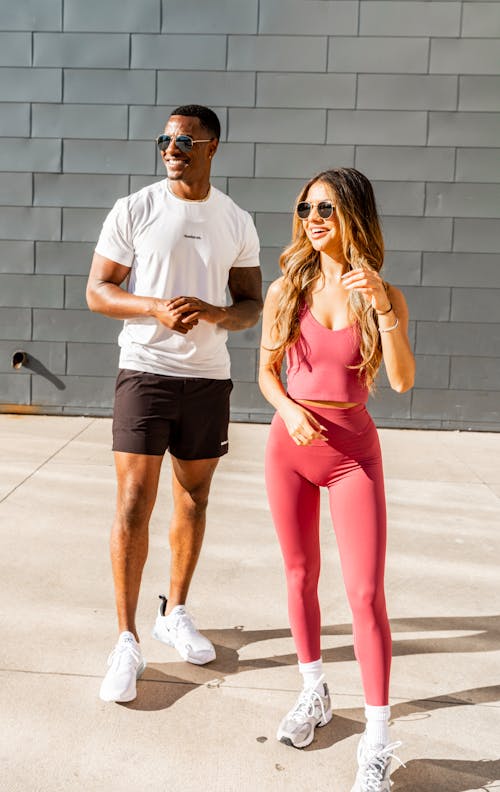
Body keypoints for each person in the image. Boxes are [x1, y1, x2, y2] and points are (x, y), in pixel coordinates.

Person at [86, 105, 262, 703]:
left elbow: (250, 304)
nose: (171, 147)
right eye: (165, 138)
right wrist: (155, 307)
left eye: (185, 139)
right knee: (135, 500)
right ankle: (126, 640)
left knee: (195, 496)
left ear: (213, 146)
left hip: (208, 379)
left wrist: (214, 313)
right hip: (145, 371)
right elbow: (99, 291)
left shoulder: (236, 219)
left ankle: (175, 612)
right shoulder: (134, 209)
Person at [259, 168, 414, 790]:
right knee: (299, 574)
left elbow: (401, 381)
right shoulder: (284, 290)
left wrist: (380, 303)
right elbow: (268, 373)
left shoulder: (382, 293)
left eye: (325, 206)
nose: (312, 217)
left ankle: (376, 741)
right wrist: (291, 410)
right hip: (290, 446)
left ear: (353, 214)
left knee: (365, 596)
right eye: (304, 206)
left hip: (353, 453)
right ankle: (313, 692)